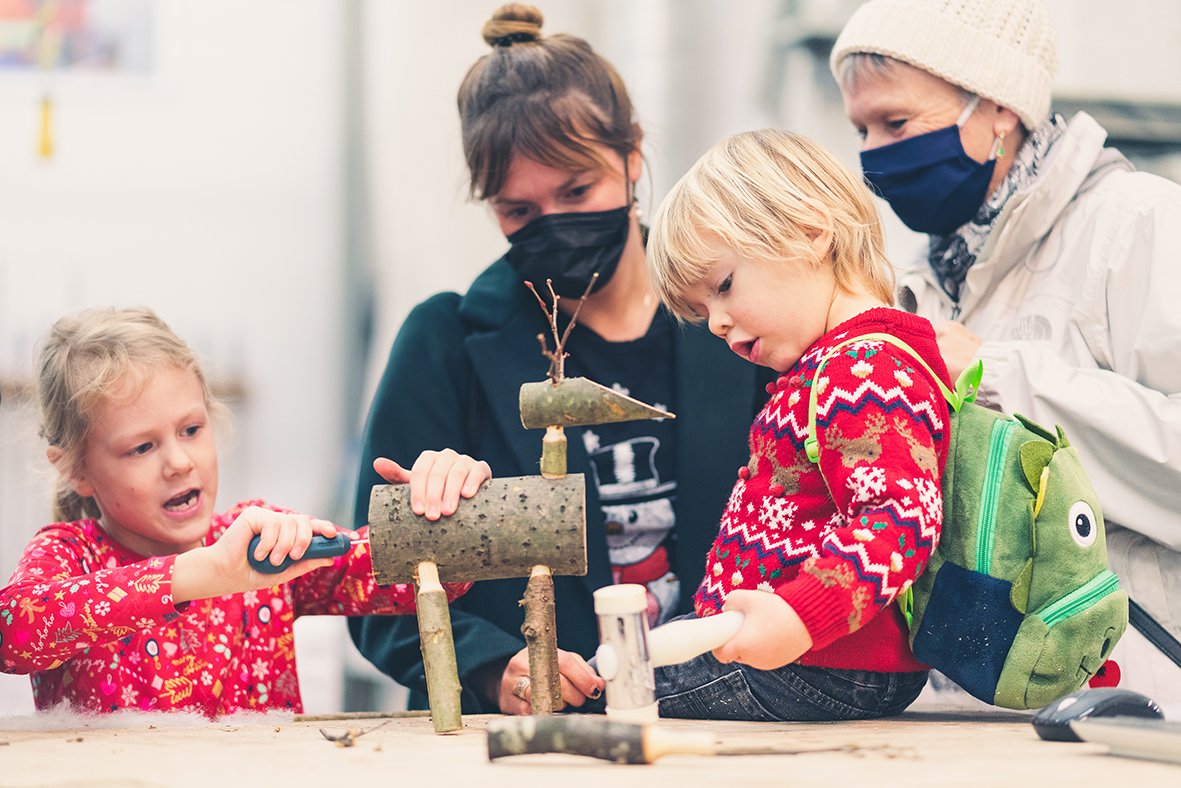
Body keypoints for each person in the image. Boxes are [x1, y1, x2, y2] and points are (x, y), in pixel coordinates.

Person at [348, 3, 775, 716]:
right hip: (539, 745)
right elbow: (372, 586)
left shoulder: (741, 322)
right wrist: (490, 669)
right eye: (518, 212)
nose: (555, 225)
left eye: (577, 191)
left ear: (633, 154)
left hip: (736, 728)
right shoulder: (445, 345)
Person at [831, 0, 1181, 707]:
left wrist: (1000, 376)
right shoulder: (916, 284)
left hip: (1132, 702)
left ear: (997, 109)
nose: (872, 154)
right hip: (964, 713)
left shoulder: (1136, 223)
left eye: (895, 123)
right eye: (860, 129)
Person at [0, 306, 489, 716]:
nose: (179, 462)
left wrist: (443, 511)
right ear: (76, 470)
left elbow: (403, 579)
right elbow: (13, 631)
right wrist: (204, 572)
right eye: (142, 447)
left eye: (191, 429)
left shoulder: (259, 538)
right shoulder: (69, 554)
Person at [643, 128, 950, 721]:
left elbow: (902, 516)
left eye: (724, 286)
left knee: (618, 688)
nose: (717, 325)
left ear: (811, 233)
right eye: (702, 312)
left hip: (822, 660)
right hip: (813, 654)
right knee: (634, 662)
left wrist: (802, 616)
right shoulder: (838, 363)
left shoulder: (862, 367)